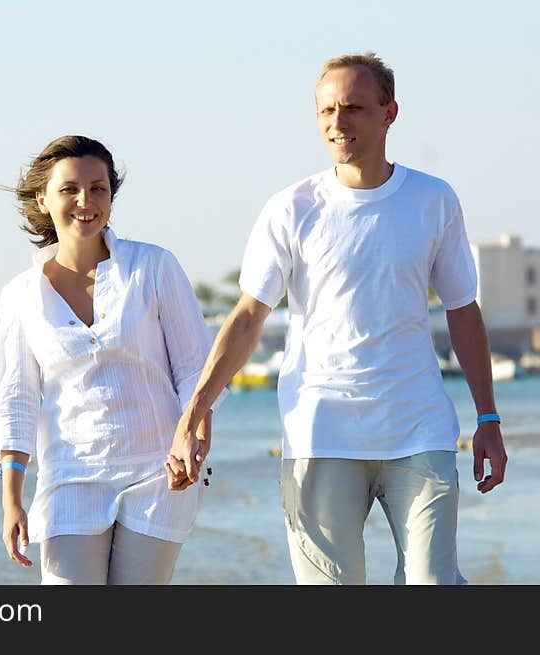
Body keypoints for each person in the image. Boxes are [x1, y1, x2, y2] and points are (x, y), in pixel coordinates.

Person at [167, 53, 507, 584]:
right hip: (319, 434)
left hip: (418, 429)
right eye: (326, 110)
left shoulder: (433, 200)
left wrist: (488, 418)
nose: (337, 123)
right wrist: (192, 417)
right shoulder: (291, 208)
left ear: (389, 112)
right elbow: (248, 316)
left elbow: (463, 312)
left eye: (352, 108)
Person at [0, 135, 223, 584]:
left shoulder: (153, 267)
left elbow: (196, 369)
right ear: (43, 198)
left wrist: (193, 440)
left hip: (158, 475)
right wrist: (11, 500)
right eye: (69, 189)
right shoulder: (20, 296)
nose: (85, 201)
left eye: (98, 188)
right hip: (70, 480)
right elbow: (15, 400)